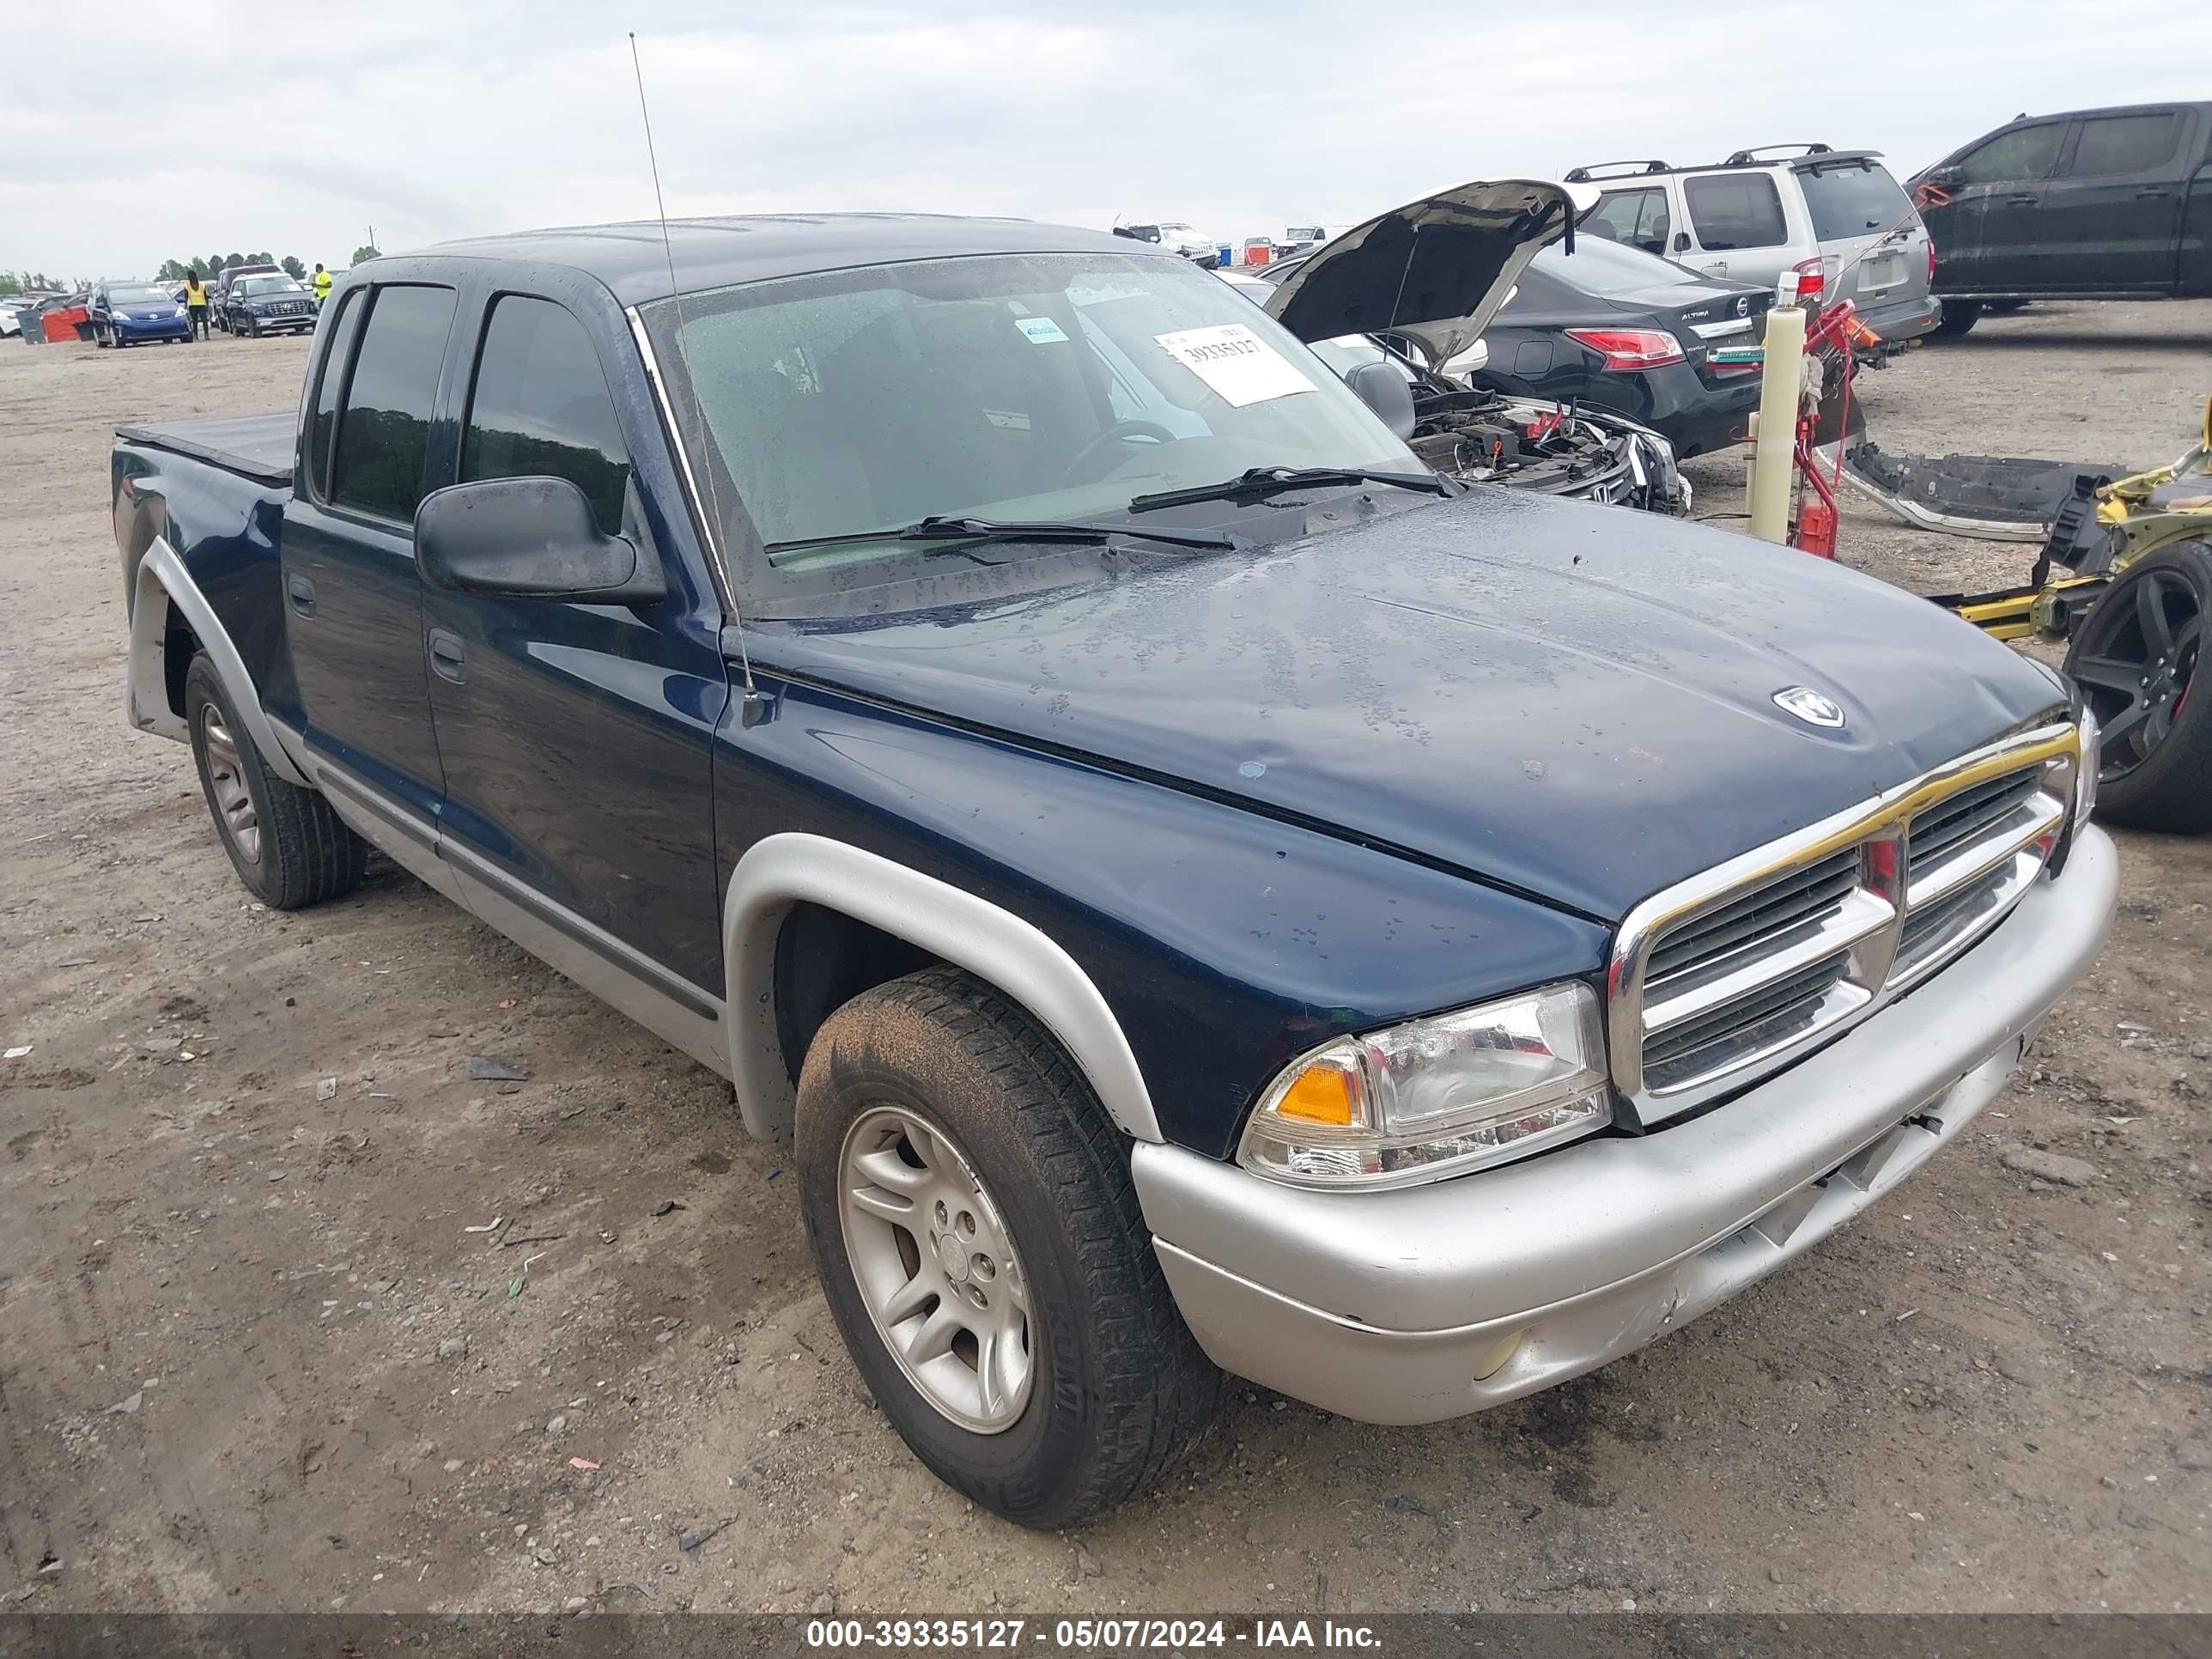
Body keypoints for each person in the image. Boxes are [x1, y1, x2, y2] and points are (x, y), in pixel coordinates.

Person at [182, 273, 210, 342]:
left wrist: (185, 306)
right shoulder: (201, 285)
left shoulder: (187, 285)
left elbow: (186, 296)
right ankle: (206, 335)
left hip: (193, 305)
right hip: (202, 304)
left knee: (195, 321)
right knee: (204, 320)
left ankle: (196, 336)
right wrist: (207, 305)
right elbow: (206, 296)